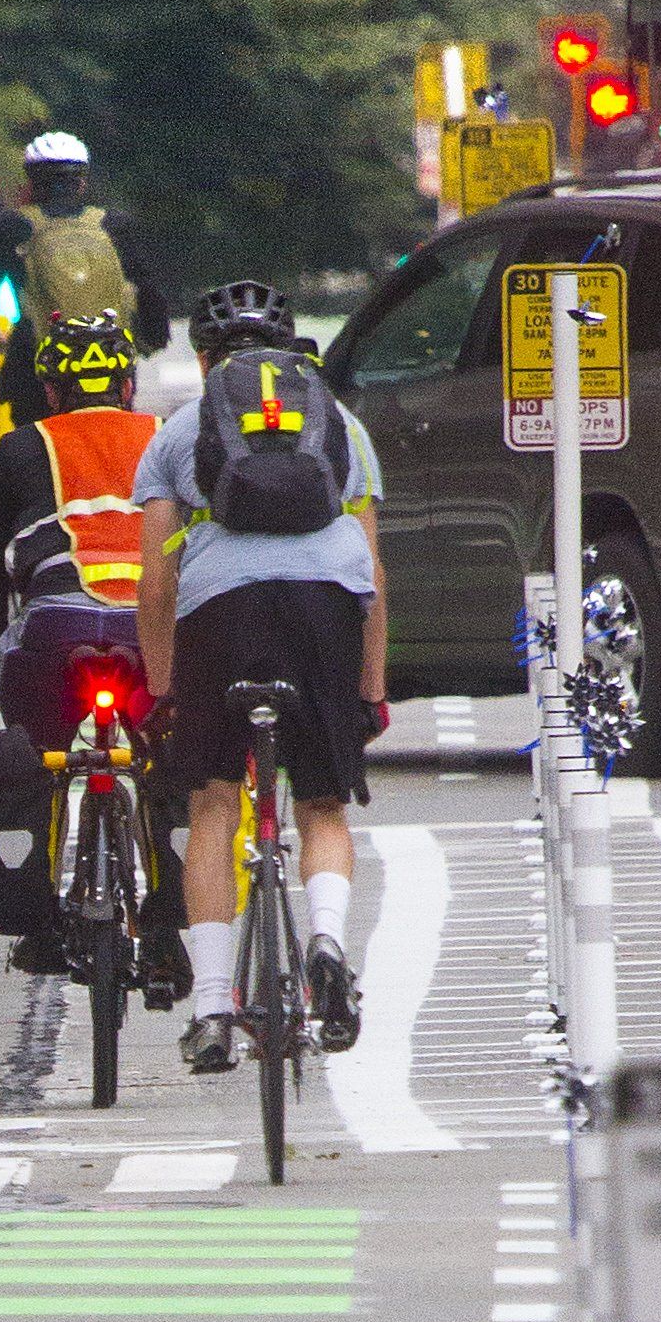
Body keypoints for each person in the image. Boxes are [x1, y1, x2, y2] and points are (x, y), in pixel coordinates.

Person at [135, 277, 388, 1072]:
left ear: (205, 358)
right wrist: (370, 690)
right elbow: (373, 569)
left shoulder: (179, 430)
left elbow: (154, 581)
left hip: (223, 613)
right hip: (326, 607)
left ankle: (212, 1007)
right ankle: (325, 940)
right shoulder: (340, 423)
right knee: (321, 804)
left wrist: (165, 686)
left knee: (213, 803)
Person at [0, 313, 191, 995]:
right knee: (167, 758)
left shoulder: (18, 448)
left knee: (39, 757)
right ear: (128, 384)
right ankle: (164, 927)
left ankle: (39, 923)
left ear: (49, 388)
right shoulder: (164, 437)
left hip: (54, 634)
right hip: (147, 632)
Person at [0, 131, 171, 429]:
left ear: (32, 181)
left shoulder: (12, 226)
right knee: (116, 442)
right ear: (82, 181)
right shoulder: (113, 225)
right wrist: (154, 336)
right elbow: (148, 288)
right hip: (110, 362)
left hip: (38, 365)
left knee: (33, 452)